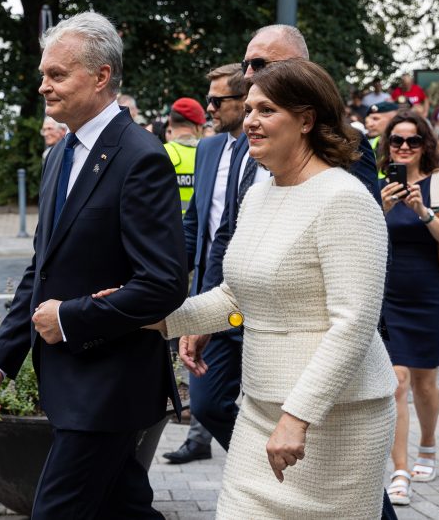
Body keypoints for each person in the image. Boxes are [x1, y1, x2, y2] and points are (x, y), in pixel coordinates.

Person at [0, 12, 187, 518]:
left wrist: (69, 319)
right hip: (71, 384)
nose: (43, 86)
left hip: (110, 387)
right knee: (125, 508)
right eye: (44, 74)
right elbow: (40, 270)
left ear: (101, 76)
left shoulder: (140, 157)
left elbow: (164, 284)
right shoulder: (60, 155)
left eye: (57, 75)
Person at [157, 59, 396, 519]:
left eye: (265, 110)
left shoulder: (345, 199)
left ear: (306, 119)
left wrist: (298, 416)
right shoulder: (259, 194)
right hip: (259, 408)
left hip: (336, 420)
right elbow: (234, 299)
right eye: (247, 109)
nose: (249, 120)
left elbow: (354, 324)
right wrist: (153, 318)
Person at [378, 112, 439, 507]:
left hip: (431, 293)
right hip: (390, 294)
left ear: (425, 145)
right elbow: (360, 236)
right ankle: (399, 471)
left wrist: (423, 211)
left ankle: (427, 445)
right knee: (396, 380)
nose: (405, 148)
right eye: (397, 142)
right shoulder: (378, 185)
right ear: (388, 145)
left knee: (424, 384)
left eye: (413, 142)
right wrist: (379, 208)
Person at [164, 64, 249, 465]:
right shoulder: (209, 148)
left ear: (245, 100)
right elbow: (196, 224)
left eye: (218, 100)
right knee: (208, 402)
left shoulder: (263, 145)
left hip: (257, 303)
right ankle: (261, 473)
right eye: (208, 99)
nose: (209, 108)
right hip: (213, 296)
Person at [164, 97, 206, 214]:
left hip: (169, 228)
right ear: (198, 126)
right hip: (200, 229)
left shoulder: (160, 152)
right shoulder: (209, 154)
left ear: (170, 122)